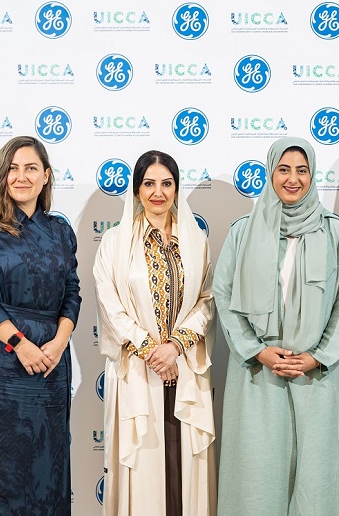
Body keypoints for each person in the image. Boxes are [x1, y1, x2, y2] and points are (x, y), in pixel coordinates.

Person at [213, 136, 339, 515]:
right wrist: (257, 350)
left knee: (321, 484)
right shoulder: (243, 231)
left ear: (312, 175)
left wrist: (319, 355)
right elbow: (223, 294)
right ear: (270, 173)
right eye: (283, 169)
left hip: (320, 376)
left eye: (302, 170)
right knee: (258, 482)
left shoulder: (336, 232)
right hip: (258, 375)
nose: (293, 179)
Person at [0, 136, 81, 515]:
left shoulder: (60, 231)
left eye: (30, 168)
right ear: (1, 175)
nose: (21, 176)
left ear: (46, 176)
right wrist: (19, 343)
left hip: (50, 366)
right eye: (12, 168)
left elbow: (72, 292)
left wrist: (60, 342)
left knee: (45, 472)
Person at [93, 150, 215, 516]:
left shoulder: (196, 241)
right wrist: (151, 350)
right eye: (149, 183)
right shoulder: (114, 242)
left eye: (166, 183)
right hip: (138, 369)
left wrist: (175, 346)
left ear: (177, 189)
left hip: (185, 367)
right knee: (143, 468)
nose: (158, 192)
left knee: (185, 469)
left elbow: (207, 301)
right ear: (136, 190)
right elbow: (110, 306)